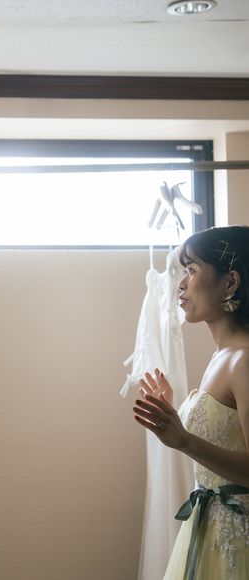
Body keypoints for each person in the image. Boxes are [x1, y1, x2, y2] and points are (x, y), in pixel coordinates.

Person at [133, 225, 249, 580]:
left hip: (237, 541)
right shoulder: (221, 357)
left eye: (192, 270)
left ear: (230, 282)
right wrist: (174, 411)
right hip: (207, 528)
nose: (181, 284)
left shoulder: (244, 360)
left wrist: (184, 440)